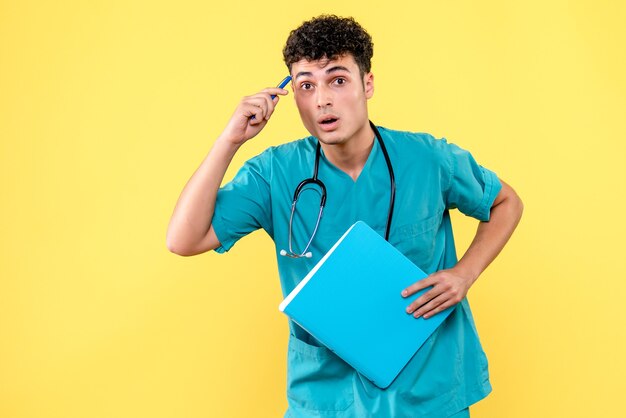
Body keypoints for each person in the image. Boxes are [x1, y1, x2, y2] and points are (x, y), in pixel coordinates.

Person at [166, 14, 523, 418]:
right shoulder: (274, 174)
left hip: (427, 388)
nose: (322, 100)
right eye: (305, 85)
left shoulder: (427, 159)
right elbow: (183, 239)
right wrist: (229, 140)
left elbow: (505, 202)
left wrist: (465, 273)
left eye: (338, 80)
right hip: (327, 399)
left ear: (367, 83)